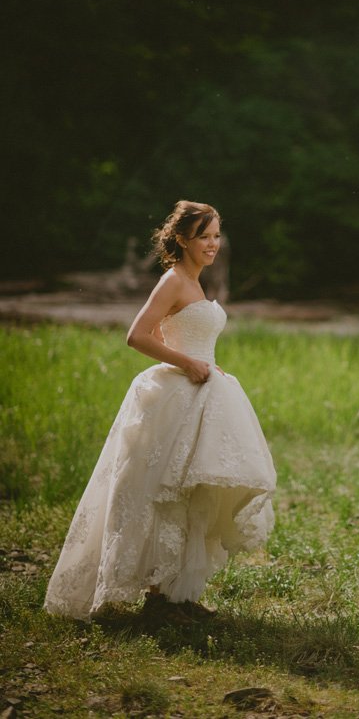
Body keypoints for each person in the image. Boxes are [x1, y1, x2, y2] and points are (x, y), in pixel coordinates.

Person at [44, 200, 276, 623]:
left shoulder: (196, 281)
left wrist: (205, 361)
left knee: (194, 491)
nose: (212, 244)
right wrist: (187, 363)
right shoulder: (173, 281)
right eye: (204, 236)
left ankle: (180, 593)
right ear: (183, 239)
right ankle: (156, 597)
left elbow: (192, 334)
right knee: (163, 492)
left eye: (216, 235)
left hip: (203, 392)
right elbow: (137, 335)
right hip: (175, 393)